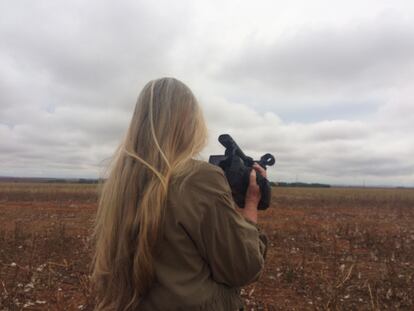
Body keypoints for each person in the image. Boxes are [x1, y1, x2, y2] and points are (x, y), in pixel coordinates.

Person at [90, 77, 268, 311]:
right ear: (189, 123)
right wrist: (251, 205)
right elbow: (243, 268)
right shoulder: (199, 178)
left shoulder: (121, 182)